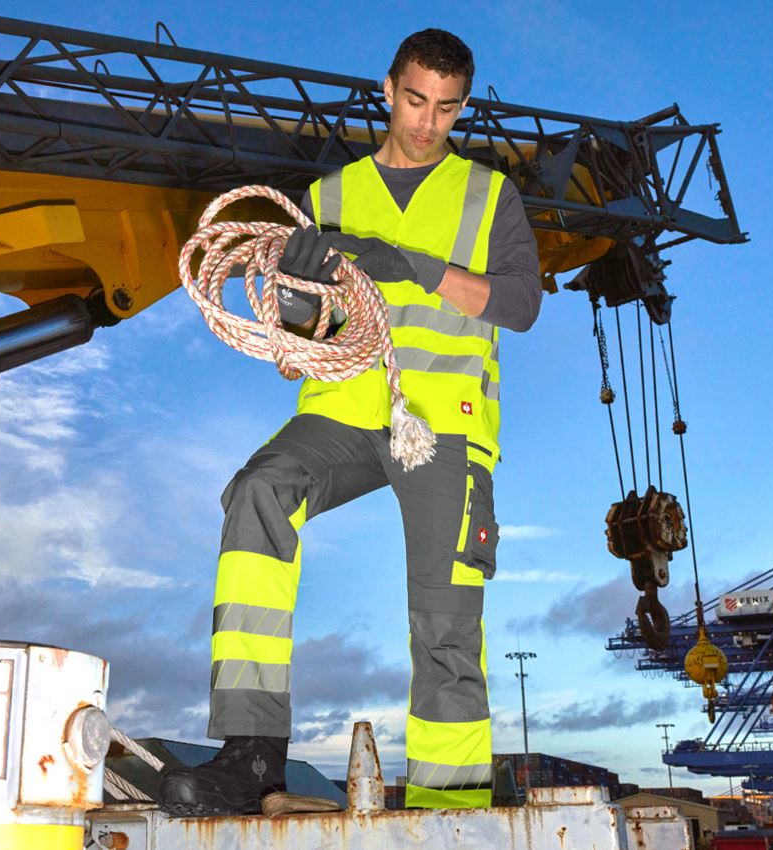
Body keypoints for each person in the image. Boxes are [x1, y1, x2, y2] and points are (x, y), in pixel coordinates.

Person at [160, 28, 541, 817]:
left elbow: (521, 304)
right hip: (342, 411)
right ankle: (251, 754)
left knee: (445, 627)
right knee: (257, 492)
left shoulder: (487, 194)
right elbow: (308, 339)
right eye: (414, 100)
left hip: (443, 424)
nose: (427, 122)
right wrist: (296, 311)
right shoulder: (329, 197)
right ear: (388, 89)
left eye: (446, 108)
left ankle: (453, 811)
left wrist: (415, 266)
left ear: (461, 106)